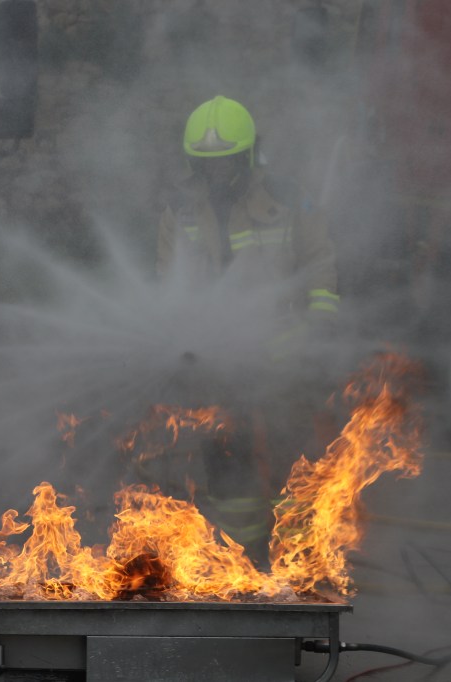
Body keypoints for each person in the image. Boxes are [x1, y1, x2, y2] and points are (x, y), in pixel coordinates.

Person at [155, 95, 341, 563]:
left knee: (291, 460)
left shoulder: (288, 199)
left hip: (283, 356)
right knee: (226, 456)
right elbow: (169, 282)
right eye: (207, 164)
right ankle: (243, 553)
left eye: (226, 162)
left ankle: (297, 553)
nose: (217, 172)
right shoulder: (181, 211)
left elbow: (319, 260)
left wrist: (318, 325)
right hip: (216, 360)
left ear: (247, 157)